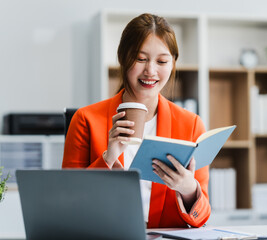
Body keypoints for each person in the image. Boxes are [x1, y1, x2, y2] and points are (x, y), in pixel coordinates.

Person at [62, 13, 211, 228]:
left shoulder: (191, 124)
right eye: (141, 59)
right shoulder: (86, 119)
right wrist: (109, 156)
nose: (150, 71)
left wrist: (189, 189)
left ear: (172, 64)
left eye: (161, 61)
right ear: (123, 58)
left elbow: (203, 215)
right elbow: (67, 201)